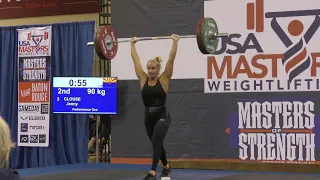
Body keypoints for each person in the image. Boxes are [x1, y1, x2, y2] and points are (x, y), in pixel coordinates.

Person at [130, 34, 180, 180]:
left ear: (158, 69)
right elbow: (136, 60)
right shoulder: (143, 78)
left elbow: (171, 59)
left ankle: (152, 172)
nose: (150, 70)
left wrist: (175, 42)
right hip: (148, 116)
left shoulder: (164, 78)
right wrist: (132, 45)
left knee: (157, 141)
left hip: (162, 115)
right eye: (149, 68)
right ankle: (167, 167)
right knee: (156, 142)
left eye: (153, 68)